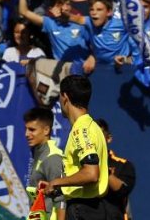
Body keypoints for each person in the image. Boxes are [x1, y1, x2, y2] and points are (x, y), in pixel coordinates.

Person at [43, 75, 110, 218]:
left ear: (65, 97)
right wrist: (59, 186)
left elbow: (91, 174)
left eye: (59, 96)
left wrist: (56, 182)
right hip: (90, 208)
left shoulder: (81, 130)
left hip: (83, 210)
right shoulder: (91, 127)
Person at [23, 107, 65, 217]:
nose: (26, 134)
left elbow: (61, 200)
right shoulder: (38, 153)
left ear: (46, 130)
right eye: (26, 129)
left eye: (32, 130)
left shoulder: (52, 157)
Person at [94, 119, 135, 220]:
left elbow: (123, 191)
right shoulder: (77, 164)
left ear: (108, 138)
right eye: (91, 136)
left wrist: (104, 171)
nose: (95, 140)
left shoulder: (123, 165)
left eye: (99, 135)